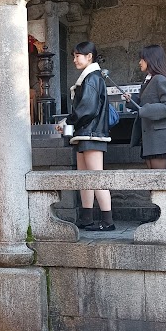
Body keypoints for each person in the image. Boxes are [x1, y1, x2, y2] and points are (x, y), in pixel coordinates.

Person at [56, 42, 114, 231]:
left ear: (89, 57)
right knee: (86, 178)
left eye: (77, 56)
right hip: (87, 133)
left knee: (96, 178)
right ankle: (86, 218)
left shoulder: (91, 78)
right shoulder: (91, 77)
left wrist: (69, 121)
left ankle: (108, 221)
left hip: (91, 133)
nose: (74, 60)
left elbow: (87, 109)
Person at [125, 44, 166, 169]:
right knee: (153, 177)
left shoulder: (160, 79)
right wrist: (131, 100)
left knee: (159, 179)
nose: (140, 62)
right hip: (151, 136)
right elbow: (144, 103)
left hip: (159, 137)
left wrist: (146, 110)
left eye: (142, 59)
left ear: (151, 60)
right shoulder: (149, 80)